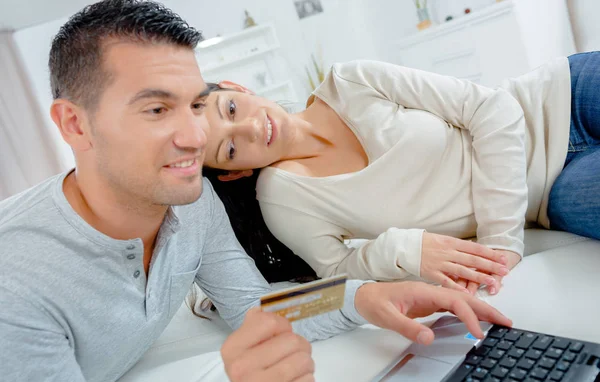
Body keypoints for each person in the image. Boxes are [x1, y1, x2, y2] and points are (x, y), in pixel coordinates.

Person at [0, 1, 513, 382]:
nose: (194, 137)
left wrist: (362, 297)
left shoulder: (191, 203)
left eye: (195, 104)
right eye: (157, 109)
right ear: (75, 124)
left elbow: (253, 305)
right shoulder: (16, 284)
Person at [201, 52, 600, 296]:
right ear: (234, 174)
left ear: (239, 88)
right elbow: (336, 270)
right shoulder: (284, 197)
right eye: (231, 149)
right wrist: (403, 249)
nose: (251, 129)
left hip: (561, 93)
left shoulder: (350, 81)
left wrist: (501, 241)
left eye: (231, 109)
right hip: (553, 192)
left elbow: (493, 108)